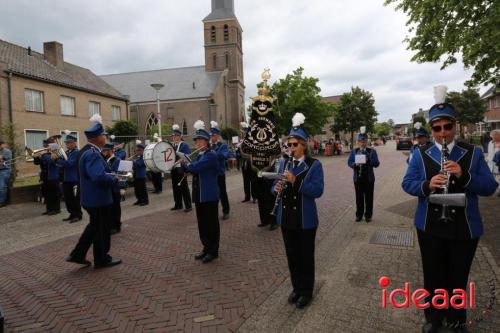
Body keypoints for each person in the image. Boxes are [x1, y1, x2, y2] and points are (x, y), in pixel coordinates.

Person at [402, 86, 498, 333]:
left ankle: (456, 318)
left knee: (458, 276)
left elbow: (490, 187)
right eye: (437, 128)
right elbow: (407, 183)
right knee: (433, 274)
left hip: (464, 226)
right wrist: (426, 184)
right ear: (431, 129)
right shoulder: (420, 154)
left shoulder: (473, 152)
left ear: (455, 126)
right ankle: (433, 317)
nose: (442, 133)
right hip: (430, 224)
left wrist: (464, 176)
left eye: (447, 127)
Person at [273, 113, 324, 309]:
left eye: (294, 144)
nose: (291, 148)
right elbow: (276, 183)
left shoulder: (314, 165)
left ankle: (306, 291)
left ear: (303, 145)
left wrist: (296, 182)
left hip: (305, 218)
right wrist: (275, 188)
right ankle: (296, 287)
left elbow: (318, 191)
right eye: (289, 144)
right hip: (287, 217)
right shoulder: (284, 163)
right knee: (292, 256)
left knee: (305, 257)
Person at [66, 114, 121, 268]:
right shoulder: (93, 154)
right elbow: (97, 176)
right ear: (98, 138)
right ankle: (102, 259)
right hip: (98, 199)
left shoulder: (89, 152)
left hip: (93, 199)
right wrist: (113, 179)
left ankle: (78, 254)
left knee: (95, 227)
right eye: (104, 135)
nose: (105, 137)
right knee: (102, 230)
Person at [186, 120, 220, 263]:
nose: (198, 143)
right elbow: (191, 168)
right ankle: (206, 247)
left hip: (209, 196)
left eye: (200, 141)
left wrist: (186, 164)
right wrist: (185, 166)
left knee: (211, 224)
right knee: (202, 224)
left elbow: (195, 168)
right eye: (197, 141)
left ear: (207, 142)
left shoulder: (211, 155)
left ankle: (213, 251)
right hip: (200, 195)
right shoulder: (200, 155)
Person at [347, 126, 380, 222]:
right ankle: (359, 215)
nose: (362, 143)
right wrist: (354, 165)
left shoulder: (372, 151)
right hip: (358, 178)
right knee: (359, 198)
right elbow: (349, 162)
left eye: (364, 141)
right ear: (358, 142)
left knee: (369, 198)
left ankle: (368, 215)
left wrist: (370, 161)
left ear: (367, 141)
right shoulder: (354, 151)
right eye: (361, 141)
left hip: (369, 178)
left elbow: (377, 164)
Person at [56, 133, 82, 223]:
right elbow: (61, 164)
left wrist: (57, 160)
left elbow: (70, 164)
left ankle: (77, 215)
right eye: (66, 143)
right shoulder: (67, 153)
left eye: (69, 143)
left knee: (75, 199)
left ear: (74, 143)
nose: (67, 144)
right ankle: (72, 213)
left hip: (74, 179)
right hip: (66, 178)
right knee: (68, 198)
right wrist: (56, 160)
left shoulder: (77, 153)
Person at [210, 121, 230, 220]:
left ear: (217, 136)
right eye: (211, 136)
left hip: (220, 173)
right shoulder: (210, 146)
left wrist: (213, 153)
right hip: (212, 174)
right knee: (213, 193)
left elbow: (225, 156)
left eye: (213, 135)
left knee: (222, 193)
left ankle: (226, 211)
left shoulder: (223, 145)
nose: (211, 137)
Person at [170, 124, 192, 212]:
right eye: (173, 136)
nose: (173, 137)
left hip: (181, 169)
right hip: (174, 169)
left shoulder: (184, 145)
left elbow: (187, 156)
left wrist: (181, 162)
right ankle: (178, 204)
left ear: (179, 137)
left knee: (184, 187)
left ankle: (188, 205)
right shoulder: (172, 146)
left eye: (175, 136)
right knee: (175, 187)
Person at [102, 143, 122, 234]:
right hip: (108, 187)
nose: (104, 152)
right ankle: (110, 224)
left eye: (106, 150)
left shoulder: (116, 160)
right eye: (104, 150)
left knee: (115, 208)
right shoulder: (105, 159)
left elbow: (114, 171)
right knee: (109, 208)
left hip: (115, 187)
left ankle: (116, 226)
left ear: (111, 151)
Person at [41, 140, 61, 215]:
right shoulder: (47, 154)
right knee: (48, 194)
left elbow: (51, 161)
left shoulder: (55, 154)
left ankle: (56, 209)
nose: (46, 147)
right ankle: (49, 209)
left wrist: (44, 155)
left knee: (54, 194)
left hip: (54, 176)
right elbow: (42, 161)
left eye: (48, 146)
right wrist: (38, 156)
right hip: (48, 177)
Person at [240, 123, 256, 203]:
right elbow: (239, 154)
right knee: (245, 181)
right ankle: (247, 197)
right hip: (244, 164)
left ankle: (254, 197)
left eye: (245, 133)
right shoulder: (242, 142)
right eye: (243, 133)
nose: (244, 134)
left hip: (251, 164)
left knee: (253, 181)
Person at [33, 140, 50, 208]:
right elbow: (37, 163)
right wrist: (35, 157)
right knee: (44, 189)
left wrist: (44, 154)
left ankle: (53, 207)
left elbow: (49, 161)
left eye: (46, 146)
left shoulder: (52, 153)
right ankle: (48, 206)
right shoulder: (43, 154)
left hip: (50, 174)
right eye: (44, 146)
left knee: (51, 190)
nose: (44, 147)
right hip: (44, 174)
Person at [132, 142, 148, 206]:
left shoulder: (144, 157)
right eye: (137, 150)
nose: (137, 151)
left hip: (141, 175)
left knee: (142, 189)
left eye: (139, 150)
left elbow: (139, 164)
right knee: (137, 189)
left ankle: (145, 200)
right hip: (136, 175)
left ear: (143, 150)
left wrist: (133, 161)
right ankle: (139, 199)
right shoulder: (138, 157)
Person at [0, 139, 12, 208]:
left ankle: (2, 202)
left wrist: (2, 158)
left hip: (5, 170)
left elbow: (6, 160)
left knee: (2, 186)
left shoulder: (7, 151)